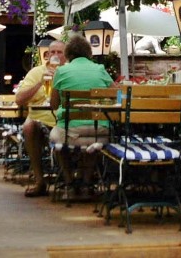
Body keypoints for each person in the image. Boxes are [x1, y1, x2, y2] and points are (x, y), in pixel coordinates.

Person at [49, 36, 114, 189]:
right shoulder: (100, 69)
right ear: (89, 52)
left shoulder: (61, 71)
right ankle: (86, 183)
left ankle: (69, 180)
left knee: (55, 139)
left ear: (68, 54)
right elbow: (116, 94)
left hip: (70, 134)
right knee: (91, 143)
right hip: (100, 133)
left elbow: (53, 105)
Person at [15, 39, 66, 197]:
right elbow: (19, 100)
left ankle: (68, 180)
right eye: (52, 52)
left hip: (63, 119)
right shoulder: (36, 72)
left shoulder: (70, 72)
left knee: (66, 130)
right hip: (40, 117)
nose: (55, 56)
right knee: (29, 126)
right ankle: (39, 181)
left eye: (59, 52)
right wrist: (39, 83)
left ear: (66, 56)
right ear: (47, 55)